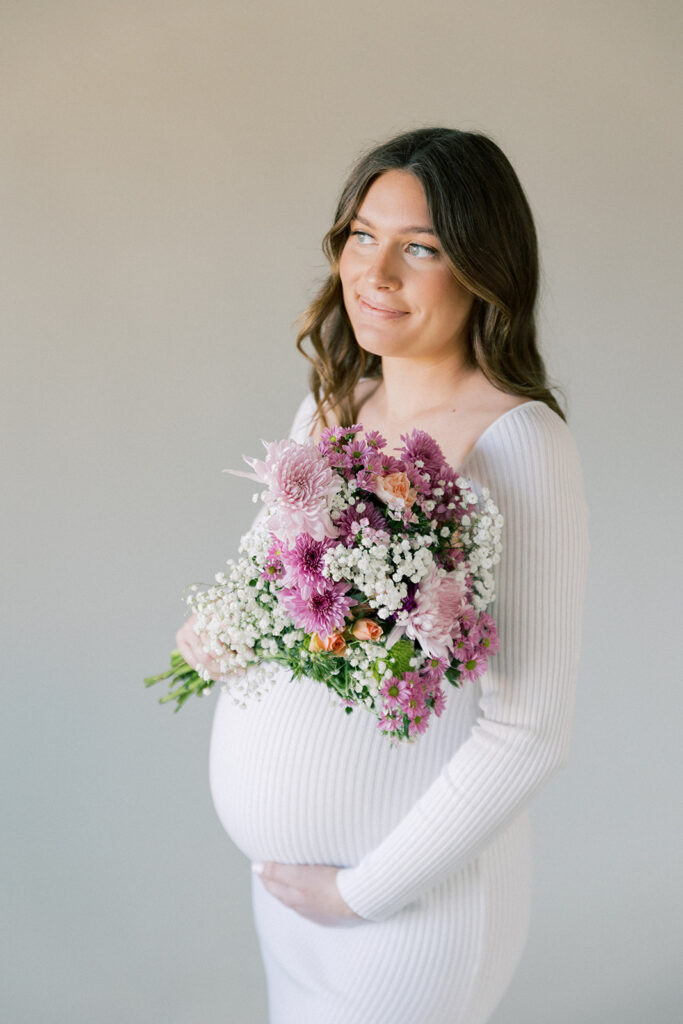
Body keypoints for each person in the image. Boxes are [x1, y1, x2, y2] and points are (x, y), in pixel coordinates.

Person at [176, 127, 590, 1024]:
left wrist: (363, 894)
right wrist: (218, 635)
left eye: (421, 248)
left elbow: (530, 733)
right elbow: (267, 589)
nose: (377, 272)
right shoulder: (332, 400)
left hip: (409, 915)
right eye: (363, 236)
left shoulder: (518, 442)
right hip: (289, 904)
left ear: (484, 268)